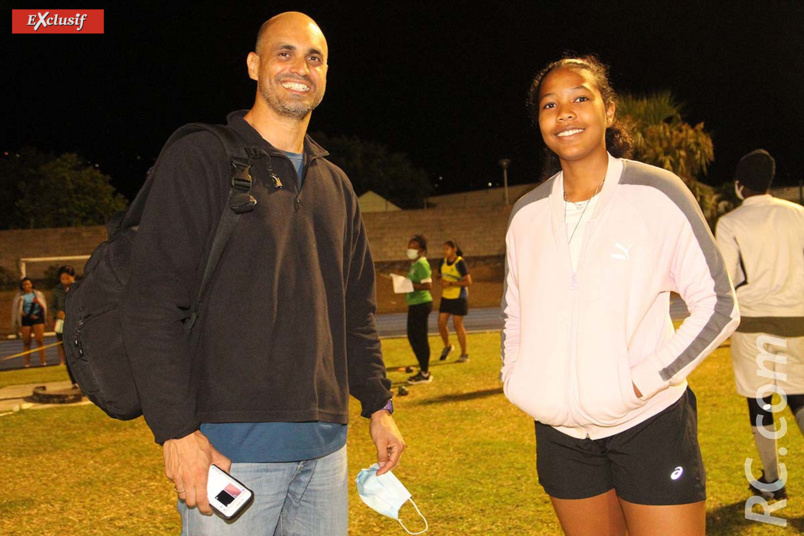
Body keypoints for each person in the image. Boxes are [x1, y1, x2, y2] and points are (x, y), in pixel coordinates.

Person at [120, 12, 404, 536]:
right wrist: (176, 433)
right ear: (254, 65)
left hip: (325, 452)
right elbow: (151, 304)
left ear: (325, 74)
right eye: (284, 52)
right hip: (230, 452)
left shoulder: (337, 185)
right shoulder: (202, 158)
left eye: (314, 57)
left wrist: (377, 405)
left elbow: (354, 310)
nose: (300, 67)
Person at [501, 55, 739, 535]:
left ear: (608, 111)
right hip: (561, 436)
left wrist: (641, 381)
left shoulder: (656, 192)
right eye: (550, 104)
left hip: (648, 422)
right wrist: (517, 380)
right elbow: (516, 313)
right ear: (540, 121)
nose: (564, 112)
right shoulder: (526, 214)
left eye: (580, 98)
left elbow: (719, 304)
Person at [715, 149, 804, 502]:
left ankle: (772, 481)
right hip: (798, 320)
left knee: (761, 402)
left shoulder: (731, 223)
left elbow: (726, 279)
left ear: (739, 186)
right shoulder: (798, 215)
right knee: (798, 395)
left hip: (753, 325)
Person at [404, 235, 434, 384]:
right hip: (414, 303)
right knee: (412, 336)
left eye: (414, 247)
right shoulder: (414, 264)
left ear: (421, 250)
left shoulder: (422, 263)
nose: (410, 249)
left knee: (420, 338)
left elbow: (428, 286)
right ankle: (423, 368)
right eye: (409, 246)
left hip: (422, 304)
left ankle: (425, 373)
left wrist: (410, 285)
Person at [436, 240, 471, 363]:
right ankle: (448, 346)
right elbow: (439, 276)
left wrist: (452, 283)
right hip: (446, 297)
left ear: (454, 249)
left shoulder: (460, 262)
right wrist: (442, 282)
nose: (445, 251)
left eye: (447, 249)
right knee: (441, 323)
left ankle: (464, 354)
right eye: (444, 249)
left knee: (457, 325)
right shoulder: (442, 262)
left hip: (459, 297)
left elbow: (468, 281)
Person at [50, 265, 79, 387]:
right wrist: (58, 313)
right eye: (63, 279)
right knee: (69, 355)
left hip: (78, 325)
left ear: (74, 277)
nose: (65, 281)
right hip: (62, 325)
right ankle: (75, 382)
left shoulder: (80, 288)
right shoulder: (56, 290)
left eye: (68, 278)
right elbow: (52, 306)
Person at [11, 277, 48, 368]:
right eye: (24, 285)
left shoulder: (38, 294)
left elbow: (43, 306)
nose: (26, 286)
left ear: (31, 284)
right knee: (26, 341)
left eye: (28, 284)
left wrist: (38, 304)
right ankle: (27, 363)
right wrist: (23, 313)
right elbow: (16, 309)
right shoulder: (20, 296)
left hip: (37, 317)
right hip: (26, 319)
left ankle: (43, 361)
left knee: (39, 340)